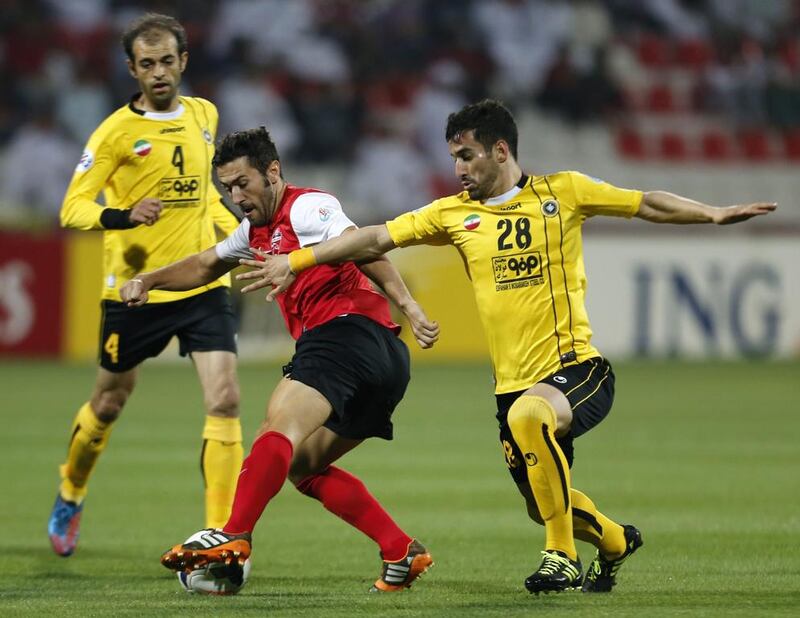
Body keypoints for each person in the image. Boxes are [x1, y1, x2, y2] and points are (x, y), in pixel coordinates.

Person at [245, 99, 777, 594]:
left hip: (577, 369)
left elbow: (644, 205)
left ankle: (560, 557)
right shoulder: (453, 214)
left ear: (500, 151)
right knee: (541, 500)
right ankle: (615, 541)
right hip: (513, 386)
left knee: (530, 422)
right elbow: (374, 237)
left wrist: (710, 214)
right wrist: (296, 261)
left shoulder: (562, 192)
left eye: (467, 156)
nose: (458, 168)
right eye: (454, 157)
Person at [119, 127, 440, 592]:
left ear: (272, 173)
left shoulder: (307, 206)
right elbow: (207, 263)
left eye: (242, 183)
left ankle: (235, 534)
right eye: (227, 187)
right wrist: (149, 280)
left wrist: (408, 304)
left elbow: (363, 244)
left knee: (277, 430)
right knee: (303, 467)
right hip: (384, 362)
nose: (235, 195)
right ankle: (400, 550)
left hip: (345, 335)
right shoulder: (254, 231)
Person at [50, 13, 244, 557]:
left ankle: (221, 538)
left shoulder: (205, 115)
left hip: (201, 283)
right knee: (109, 402)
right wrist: (122, 215)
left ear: (183, 61)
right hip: (134, 292)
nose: (158, 72)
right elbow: (72, 208)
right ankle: (71, 489)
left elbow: (206, 195)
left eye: (167, 61)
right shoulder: (114, 133)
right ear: (132, 69)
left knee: (226, 399)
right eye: (146, 63)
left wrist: (240, 239)